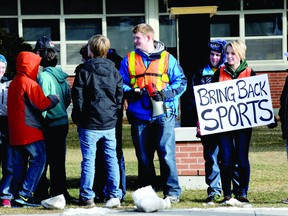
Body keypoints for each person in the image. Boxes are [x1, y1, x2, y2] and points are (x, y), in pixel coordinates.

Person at [119, 23, 187, 203]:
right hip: (139, 115)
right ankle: (147, 191)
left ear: (148, 38)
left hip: (164, 114)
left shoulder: (168, 59)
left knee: (166, 153)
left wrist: (164, 94)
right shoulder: (129, 59)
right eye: (134, 38)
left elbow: (181, 82)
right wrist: (132, 91)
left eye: (137, 38)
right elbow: (120, 83)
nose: (134, 42)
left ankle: (172, 191)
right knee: (143, 156)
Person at [71, 34, 123, 208]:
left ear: (90, 50)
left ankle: (87, 196)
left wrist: (77, 117)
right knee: (111, 159)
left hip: (89, 123)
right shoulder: (114, 70)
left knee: (89, 160)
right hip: (109, 121)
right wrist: (115, 114)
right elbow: (118, 96)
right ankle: (114, 194)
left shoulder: (84, 70)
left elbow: (77, 97)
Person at [7, 51, 59, 206]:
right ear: (31, 66)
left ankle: (16, 195)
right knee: (39, 159)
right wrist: (53, 98)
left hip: (15, 132)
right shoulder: (29, 83)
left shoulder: (14, 82)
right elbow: (42, 104)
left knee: (19, 165)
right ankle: (25, 194)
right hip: (30, 131)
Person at [212, 40, 256, 204]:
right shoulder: (220, 72)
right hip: (224, 124)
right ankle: (227, 194)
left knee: (242, 159)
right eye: (227, 53)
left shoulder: (250, 72)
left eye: (233, 53)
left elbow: (256, 97)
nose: (229, 57)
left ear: (240, 55)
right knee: (226, 159)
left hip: (243, 124)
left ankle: (242, 192)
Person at [36, 48, 77, 204]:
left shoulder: (44, 77)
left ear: (42, 61)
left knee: (44, 159)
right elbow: (67, 99)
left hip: (49, 123)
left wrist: (42, 120)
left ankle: (42, 191)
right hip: (62, 121)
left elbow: (43, 102)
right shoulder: (62, 76)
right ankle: (60, 191)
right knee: (59, 160)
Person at [0, 54, 13, 207]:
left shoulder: (10, 82)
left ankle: (5, 195)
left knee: (8, 162)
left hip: (7, 123)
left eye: (3, 67)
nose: (1, 70)